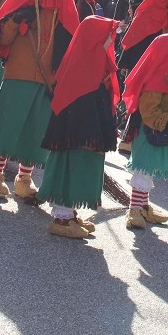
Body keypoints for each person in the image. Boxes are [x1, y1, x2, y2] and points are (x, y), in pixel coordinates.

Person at [0, 0, 78, 202]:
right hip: (19, 75)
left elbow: (73, 48)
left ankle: (24, 180)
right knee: (7, 125)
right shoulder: (21, 2)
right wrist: (15, 21)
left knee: (37, 131)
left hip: (48, 80)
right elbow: (1, 39)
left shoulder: (66, 11)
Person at [38, 16, 120, 238]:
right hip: (76, 135)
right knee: (71, 165)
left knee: (79, 165)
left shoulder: (95, 61)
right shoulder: (82, 67)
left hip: (84, 132)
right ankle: (61, 219)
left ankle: (69, 212)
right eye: (108, 36)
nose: (112, 40)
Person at [122, 31, 168, 230]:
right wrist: (167, 121)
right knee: (143, 169)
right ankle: (134, 209)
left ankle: (144, 206)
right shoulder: (158, 77)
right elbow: (149, 109)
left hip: (154, 128)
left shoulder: (165, 73)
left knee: (148, 170)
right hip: (149, 128)